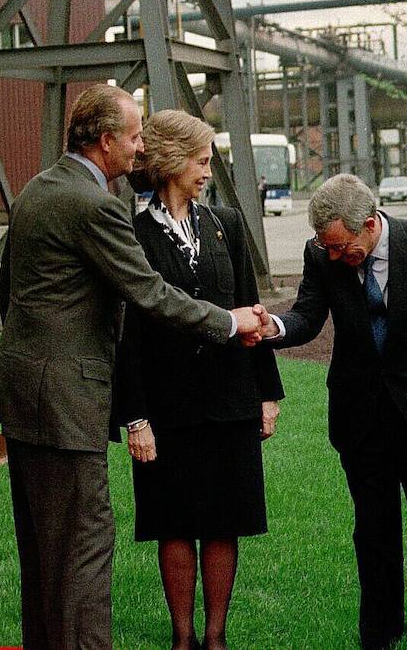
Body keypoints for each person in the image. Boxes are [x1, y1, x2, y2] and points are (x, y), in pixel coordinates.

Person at [0, 85, 268, 650]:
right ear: (106, 141)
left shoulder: (40, 188)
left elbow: (11, 293)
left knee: (43, 553)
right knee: (86, 547)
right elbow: (150, 295)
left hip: (23, 393)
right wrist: (231, 323)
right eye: (136, 137)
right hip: (66, 400)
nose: (141, 149)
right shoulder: (95, 205)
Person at [261, 173, 407, 650]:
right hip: (360, 414)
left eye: (344, 248)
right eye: (329, 249)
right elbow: (308, 315)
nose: (337, 257)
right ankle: (379, 630)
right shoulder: (320, 253)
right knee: (374, 528)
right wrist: (274, 326)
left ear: (368, 224)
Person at [114, 110, 285, 650]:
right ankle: (182, 638)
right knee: (173, 522)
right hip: (167, 409)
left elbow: (248, 311)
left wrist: (266, 394)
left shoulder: (226, 225)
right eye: (201, 161)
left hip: (230, 400)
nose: (208, 171)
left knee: (223, 522)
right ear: (169, 162)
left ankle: (216, 639)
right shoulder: (132, 234)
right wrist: (135, 416)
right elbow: (127, 335)